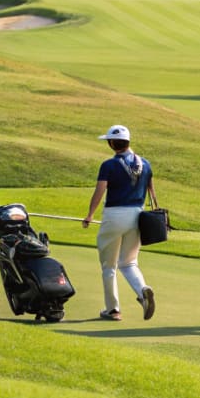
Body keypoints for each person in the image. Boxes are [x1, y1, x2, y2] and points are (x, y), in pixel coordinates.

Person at [82, 124, 155, 321]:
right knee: (129, 262)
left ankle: (112, 309)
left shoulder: (109, 165)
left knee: (109, 266)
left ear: (113, 143)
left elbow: (100, 191)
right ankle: (142, 291)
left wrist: (89, 215)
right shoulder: (146, 164)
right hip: (137, 216)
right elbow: (151, 192)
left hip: (114, 216)